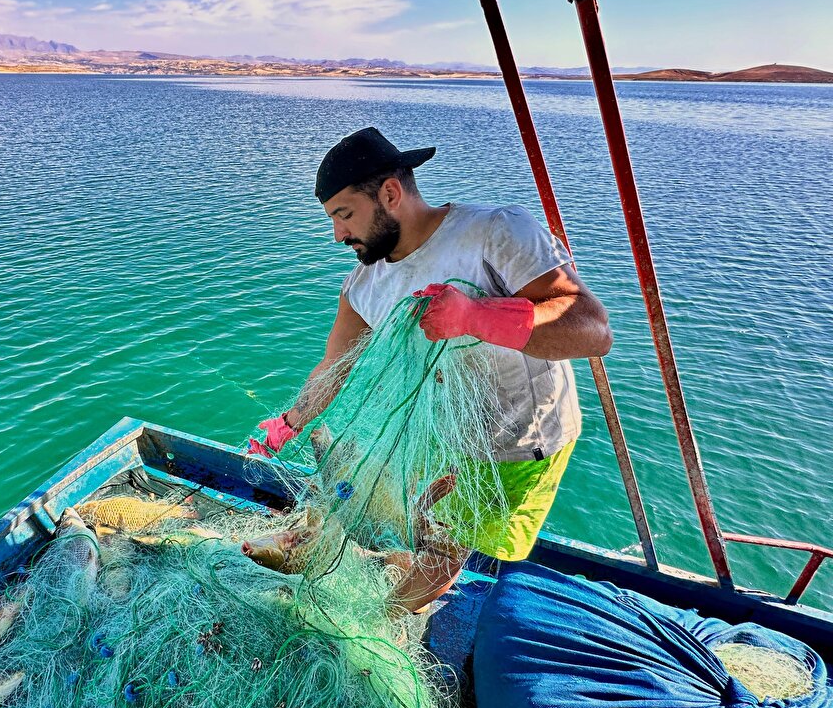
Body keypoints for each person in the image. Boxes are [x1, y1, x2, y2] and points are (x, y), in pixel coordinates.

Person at [250, 127, 612, 613]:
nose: (338, 235)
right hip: (435, 429)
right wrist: (289, 422)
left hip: (516, 442)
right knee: (370, 488)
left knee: (444, 548)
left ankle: (373, 627)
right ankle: (331, 550)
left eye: (344, 215)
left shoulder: (496, 233)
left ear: (390, 194)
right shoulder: (364, 283)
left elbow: (592, 329)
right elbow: (335, 364)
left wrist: (480, 317)